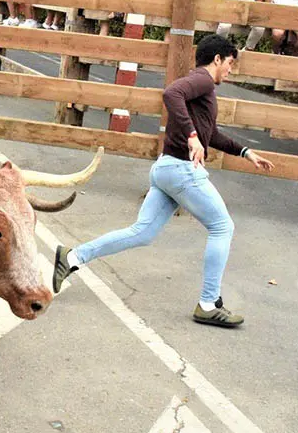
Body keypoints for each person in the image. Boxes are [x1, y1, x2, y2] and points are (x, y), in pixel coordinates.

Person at [52, 35, 274, 329]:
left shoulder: (202, 88)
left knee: (142, 232)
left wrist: (246, 152)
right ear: (217, 59)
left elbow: (212, 134)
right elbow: (171, 94)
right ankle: (209, 303)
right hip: (181, 169)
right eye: (230, 63)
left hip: (166, 168)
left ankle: (74, 256)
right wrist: (192, 138)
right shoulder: (203, 80)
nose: (231, 70)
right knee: (223, 227)